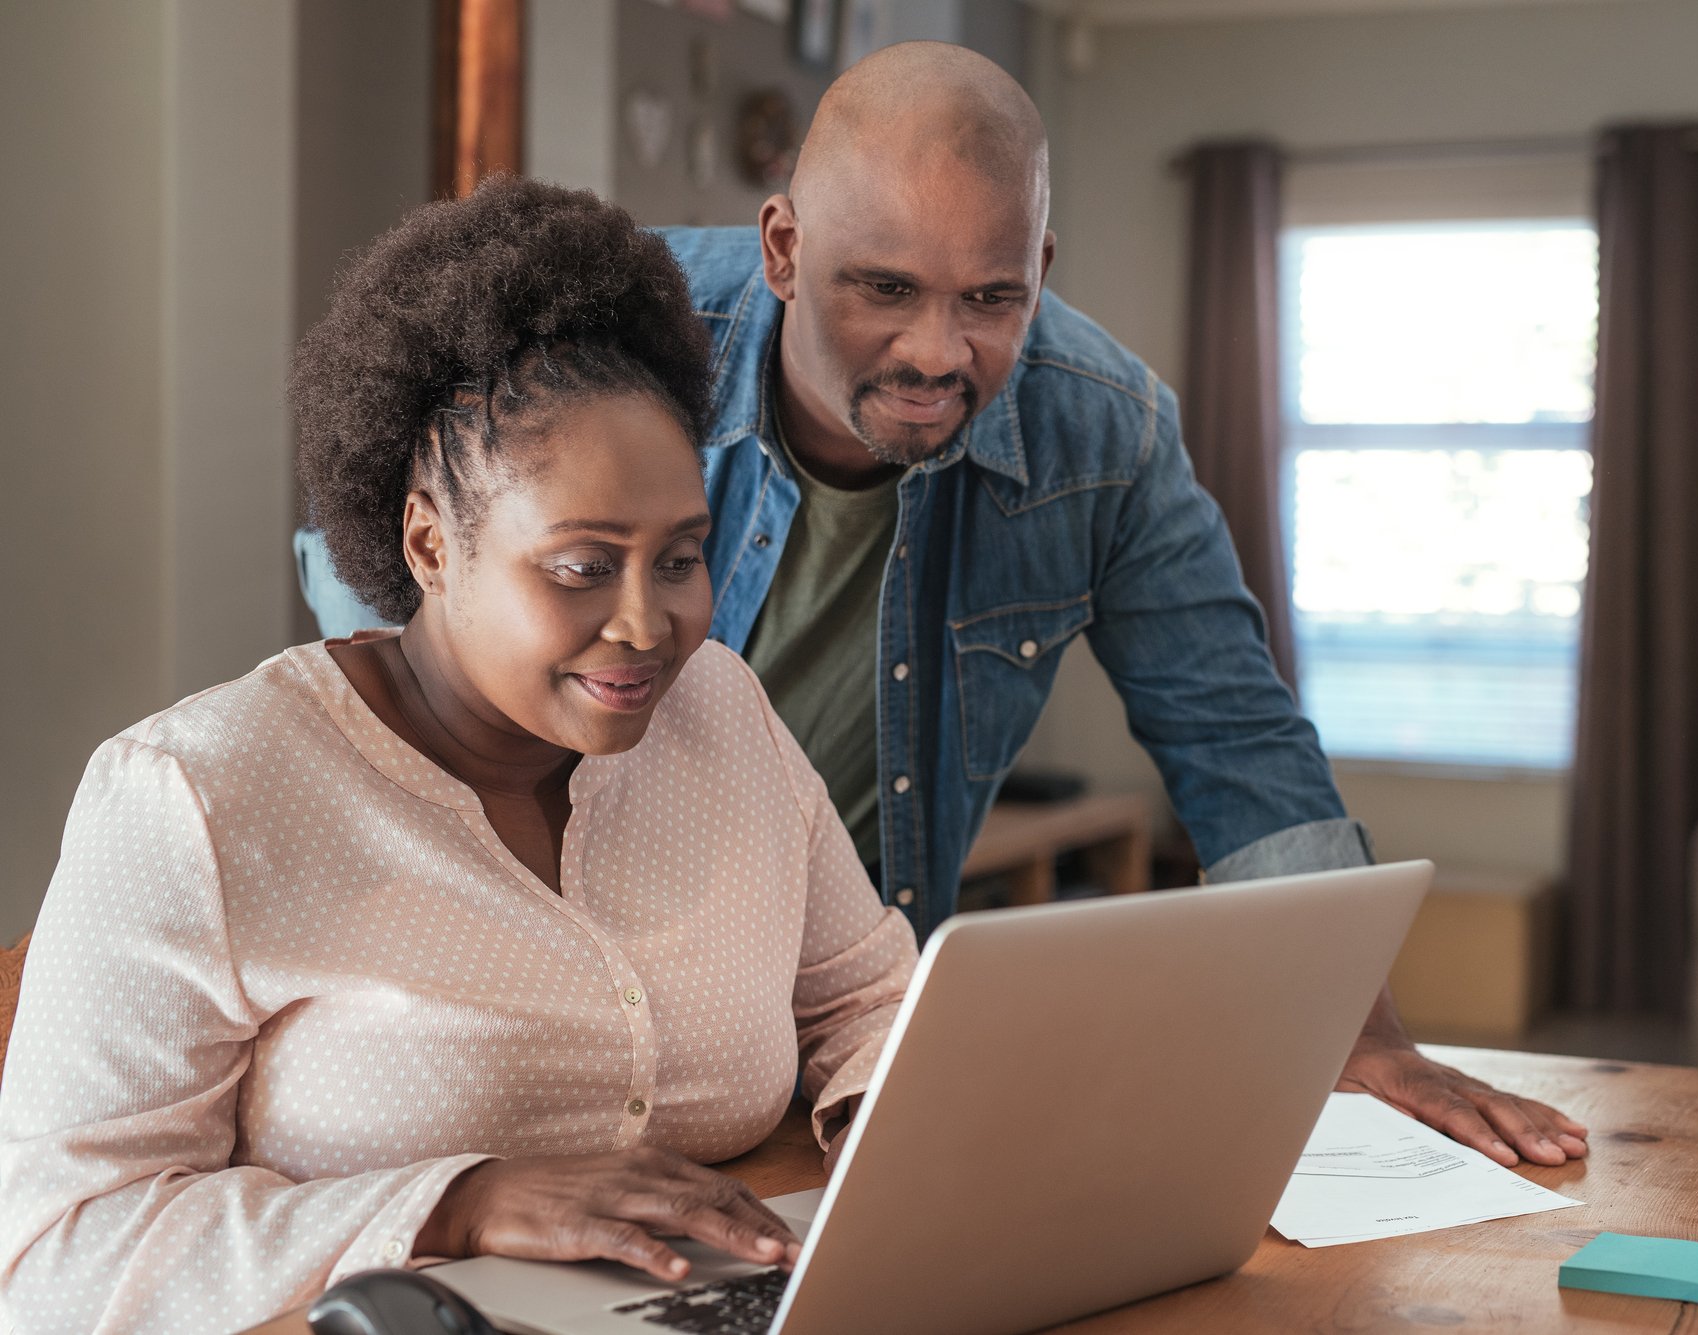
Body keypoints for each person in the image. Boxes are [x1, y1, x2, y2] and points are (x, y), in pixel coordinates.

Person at [299, 42, 1588, 1169]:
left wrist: (1355, 1037)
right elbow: (386, 607)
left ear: (1039, 265)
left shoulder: (1105, 431)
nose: (934, 352)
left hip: (846, 1010)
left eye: (990, 298)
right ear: (785, 248)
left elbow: (1236, 743)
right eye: (883, 290)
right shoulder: (607, 352)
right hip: (550, 978)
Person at [0, 178, 917, 1335]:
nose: (649, 625)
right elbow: (52, 1259)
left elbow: (869, 993)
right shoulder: (193, 796)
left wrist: (901, 1121)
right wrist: (454, 1204)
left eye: (680, 559)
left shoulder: (720, 711)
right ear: (429, 540)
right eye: (583, 567)